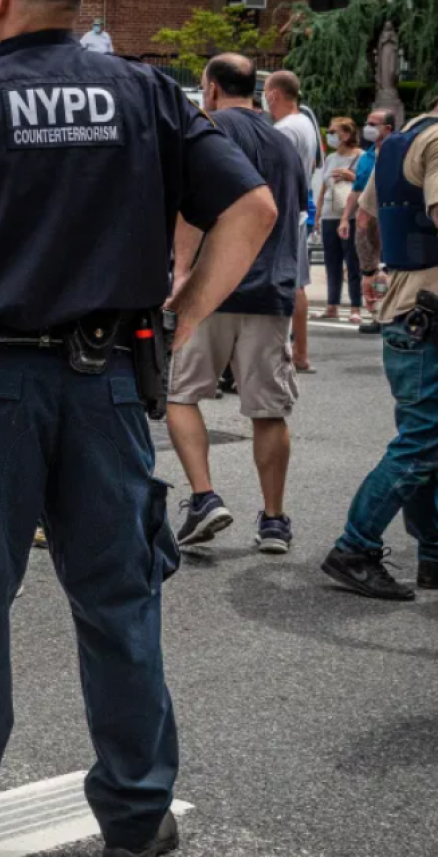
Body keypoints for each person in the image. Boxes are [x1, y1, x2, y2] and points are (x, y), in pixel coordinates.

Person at [0, 0, 278, 854]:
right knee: (118, 601)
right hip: (107, 381)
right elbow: (254, 208)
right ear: (78, 5)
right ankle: (136, 812)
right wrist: (184, 311)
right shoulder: (148, 93)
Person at [166, 54, 305, 554]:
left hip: (212, 289)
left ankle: (205, 498)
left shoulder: (208, 129)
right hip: (271, 291)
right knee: (268, 410)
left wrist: (182, 274)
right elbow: (289, 215)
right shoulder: (284, 143)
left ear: (211, 88)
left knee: (181, 396)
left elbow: (190, 205)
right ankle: (273, 520)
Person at [322, 96, 438, 601]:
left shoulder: (401, 140)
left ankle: (433, 555)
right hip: (429, 313)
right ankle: (355, 546)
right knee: (420, 443)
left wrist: (371, 275)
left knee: (426, 441)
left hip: (406, 309)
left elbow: (365, 221)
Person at [264, 70, 321, 372]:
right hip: (299, 209)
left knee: (287, 283)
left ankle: (289, 352)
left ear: (273, 94)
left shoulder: (285, 129)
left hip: (285, 211)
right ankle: (300, 353)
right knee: (297, 282)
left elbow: (273, 175)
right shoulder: (306, 125)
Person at [346, 108, 395, 332]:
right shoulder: (365, 157)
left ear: (388, 129)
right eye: (367, 122)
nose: (368, 127)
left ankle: (388, 316)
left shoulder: (397, 153)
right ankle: (377, 315)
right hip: (366, 220)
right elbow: (357, 189)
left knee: (387, 271)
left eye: (374, 124)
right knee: (370, 271)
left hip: (390, 218)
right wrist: (345, 218)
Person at [317, 115, 364, 323]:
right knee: (331, 261)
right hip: (330, 213)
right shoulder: (330, 158)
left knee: (352, 261)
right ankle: (332, 305)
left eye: (333, 132)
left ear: (346, 135)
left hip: (351, 214)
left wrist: (351, 176)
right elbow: (324, 188)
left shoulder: (361, 157)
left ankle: (355, 307)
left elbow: (368, 185)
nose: (330, 135)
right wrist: (318, 214)